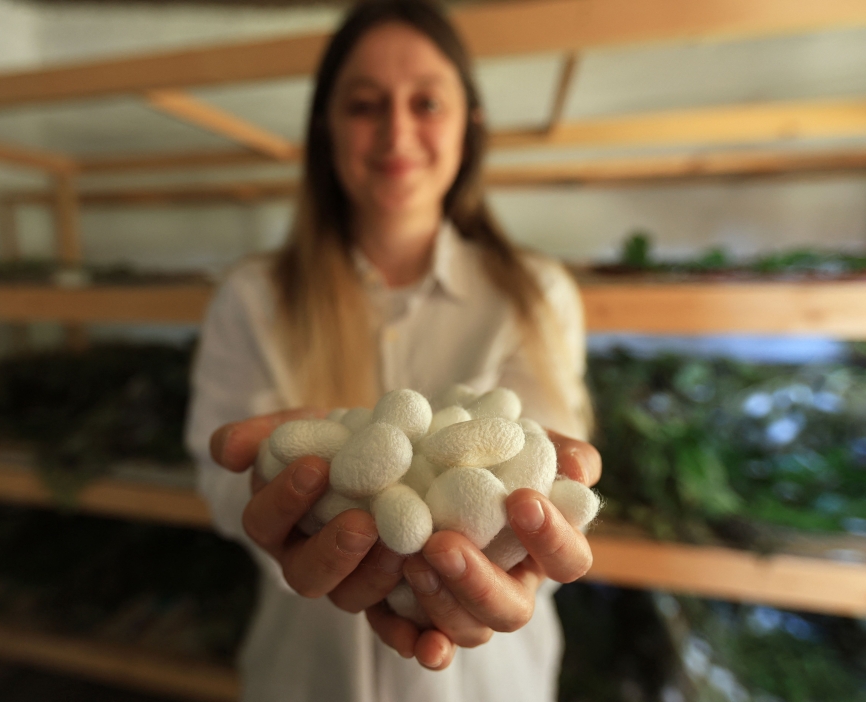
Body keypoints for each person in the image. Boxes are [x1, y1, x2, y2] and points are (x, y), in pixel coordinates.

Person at [185, 1, 602, 700]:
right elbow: (221, 481)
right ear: (325, 126)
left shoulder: (534, 293)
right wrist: (266, 495)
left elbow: (534, 483)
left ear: (470, 122)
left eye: (427, 102)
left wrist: (518, 554)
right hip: (305, 675)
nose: (396, 131)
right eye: (364, 104)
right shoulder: (251, 296)